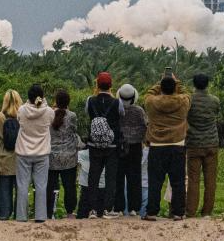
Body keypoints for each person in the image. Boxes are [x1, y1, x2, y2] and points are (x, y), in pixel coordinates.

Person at [144, 74, 191, 221]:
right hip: (177, 145)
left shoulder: (151, 102)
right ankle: (178, 212)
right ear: (175, 88)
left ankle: (151, 212)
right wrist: (177, 82)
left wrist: (159, 82)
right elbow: (187, 93)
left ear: (161, 88)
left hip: (156, 146)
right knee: (178, 181)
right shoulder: (183, 102)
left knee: (155, 182)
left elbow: (149, 94)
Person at [81, 72, 123, 219]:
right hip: (112, 146)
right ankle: (106, 209)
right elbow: (121, 115)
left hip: (94, 144)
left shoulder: (90, 100)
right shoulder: (117, 102)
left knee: (94, 176)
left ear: (97, 85)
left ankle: (92, 209)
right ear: (111, 85)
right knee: (111, 178)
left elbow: (88, 113)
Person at [15, 84, 54, 222]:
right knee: (41, 185)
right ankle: (40, 216)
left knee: (22, 185)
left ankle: (21, 216)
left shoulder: (21, 110)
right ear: (42, 97)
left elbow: (19, 120)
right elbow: (50, 121)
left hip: (23, 152)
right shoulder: (49, 111)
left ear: (28, 96)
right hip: (42, 153)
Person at [186, 74, 220, 218]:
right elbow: (216, 114)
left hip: (194, 144)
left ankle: (191, 211)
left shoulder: (189, 100)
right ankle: (207, 211)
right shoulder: (215, 101)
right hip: (211, 143)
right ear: (207, 84)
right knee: (210, 180)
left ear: (194, 84)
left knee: (194, 179)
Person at [115, 84, 147, 216]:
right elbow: (145, 126)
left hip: (120, 146)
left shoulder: (116, 109)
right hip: (135, 147)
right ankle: (134, 208)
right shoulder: (139, 110)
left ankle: (119, 207)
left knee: (119, 177)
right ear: (134, 97)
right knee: (135, 177)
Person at [0, 90, 21, 220]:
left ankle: (3, 215)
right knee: (20, 188)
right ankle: (19, 214)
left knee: (3, 188)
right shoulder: (22, 116)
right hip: (19, 156)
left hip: (2, 156)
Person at [47, 89, 79, 219]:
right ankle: (70, 212)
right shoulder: (72, 116)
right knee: (69, 186)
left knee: (50, 186)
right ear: (68, 102)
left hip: (52, 157)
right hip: (69, 156)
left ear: (56, 101)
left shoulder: (49, 114)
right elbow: (74, 131)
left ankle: (48, 212)